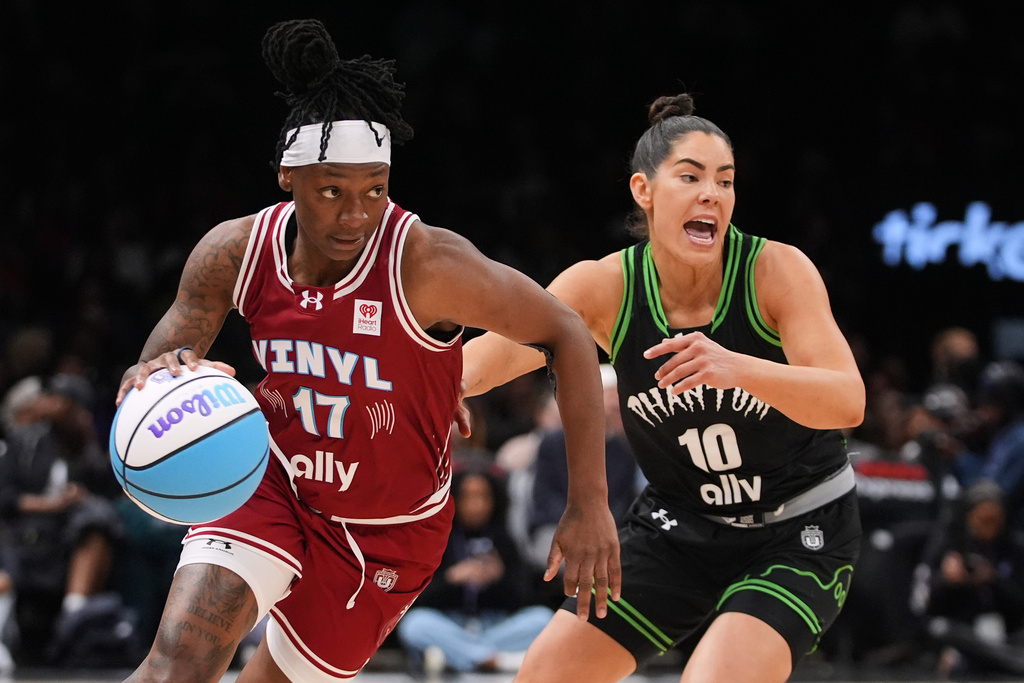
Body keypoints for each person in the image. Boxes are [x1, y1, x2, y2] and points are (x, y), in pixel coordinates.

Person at [114, 18, 618, 683]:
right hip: (273, 480)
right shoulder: (234, 252)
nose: (357, 215)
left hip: (387, 530)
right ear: (287, 180)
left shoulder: (427, 263)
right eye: (333, 193)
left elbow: (568, 332)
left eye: (374, 190)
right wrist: (152, 375)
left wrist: (588, 503)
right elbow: (165, 354)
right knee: (175, 663)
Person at [461, 93, 865, 682]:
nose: (712, 194)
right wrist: (412, 387)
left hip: (797, 529)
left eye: (725, 181)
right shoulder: (605, 288)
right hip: (680, 527)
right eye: (691, 176)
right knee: (543, 673)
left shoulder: (774, 271)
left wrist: (739, 368)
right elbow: (486, 361)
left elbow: (848, 400)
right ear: (643, 191)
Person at [395, 461, 552, 674]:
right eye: (468, 496)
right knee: (414, 624)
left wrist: (499, 578)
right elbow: (419, 598)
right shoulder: (440, 539)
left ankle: (463, 656)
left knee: (542, 619)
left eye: (483, 497)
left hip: (494, 625)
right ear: (456, 499)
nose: (476, 505)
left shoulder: (504, 538)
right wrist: (452, 578)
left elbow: (523, 597)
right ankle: (493, 660)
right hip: (451, 622)